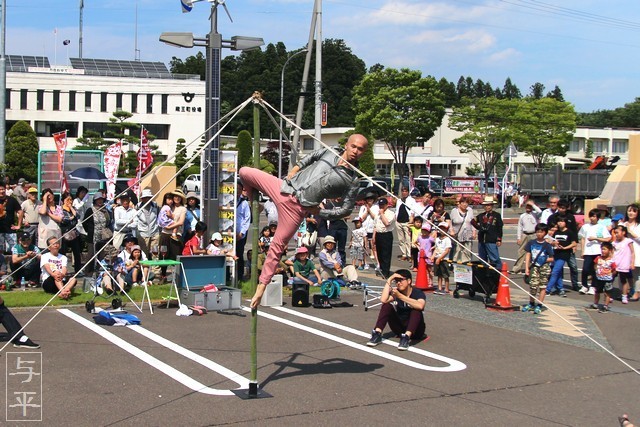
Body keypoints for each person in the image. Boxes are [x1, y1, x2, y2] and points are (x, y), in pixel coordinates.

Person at [239, 133, 368, 308]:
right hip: (284, 188)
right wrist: (295, 168)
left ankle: (261, 287)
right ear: (346, 145)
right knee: (245, 172)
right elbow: (312, 156)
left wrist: (320, 212)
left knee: (277, 247)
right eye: (353, 146)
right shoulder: (330, 152)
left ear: (363, 152)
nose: (356, 151)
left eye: (360, 149)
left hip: (297, 210)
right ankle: (250, 198)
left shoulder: (353, 180)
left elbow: (345, 209)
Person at [366, 269, 427, 351]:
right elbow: (383, 300)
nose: (398, 283)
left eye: (401, 280)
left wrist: (400, 296)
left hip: (416, 330)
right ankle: (377, 333)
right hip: (399, 328)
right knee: (387, 305)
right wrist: (389, 279)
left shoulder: (417, 292)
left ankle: (406, 337)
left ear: (409, 281)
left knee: (416, 309)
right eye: (396, 281)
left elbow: (420, 305)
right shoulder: (396, 292)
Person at [546, 199, 580, 291]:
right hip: (557, 247)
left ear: (566, 208)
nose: (561, 210)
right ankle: (557, 286)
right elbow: (548, 230)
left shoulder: (570, 217)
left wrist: (575, 245)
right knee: (557, 267)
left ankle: (575, 283)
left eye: (563, 208)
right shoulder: (553, 217)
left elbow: (574, 231)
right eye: (560, 207)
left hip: (568, 245)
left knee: (573, 266)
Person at [521, 224, 554, 315]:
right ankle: (531, 303)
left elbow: (552, 258)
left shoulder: (547, 245)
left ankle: (539, 304)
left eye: (541, 232)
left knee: (543, 286)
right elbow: (528, 255)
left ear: (545, 233)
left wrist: (544, 259)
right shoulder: (531, 243)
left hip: (544, 267)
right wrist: (527, 267)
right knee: (533, 286)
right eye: (538, 231)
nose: (539, 234)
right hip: (534, 266)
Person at [578, 208, 611, 295]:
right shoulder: (585, 227)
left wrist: (596, 238)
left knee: (595, 270)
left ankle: (593, 286)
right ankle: (584, 286)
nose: (592, 218)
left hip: (597, 251)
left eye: (594, 216)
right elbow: (582, 239)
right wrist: (582, 251)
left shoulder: (602, 227)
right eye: (591, 216)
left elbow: (607, 238)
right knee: (585, 269)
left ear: (598, 218)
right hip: (588, 251)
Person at [158, 189, 186, 281]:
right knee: (163, 255)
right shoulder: (168, 206)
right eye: (175, 196)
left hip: (176, 234)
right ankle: (163, 276)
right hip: (165, 233)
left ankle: (178, 278)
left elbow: (181, 222)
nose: (176, 198)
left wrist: (171, 227)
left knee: (176, 255)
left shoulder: (183, 209)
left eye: (179, 197)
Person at [545, 216, 576, 297]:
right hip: (555, 253)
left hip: (564, 254)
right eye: (558, 221)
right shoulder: (556, 232)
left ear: (565, 223)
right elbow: (554, 242)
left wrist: (565, 248)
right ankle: (560, 289)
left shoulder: (569, 232)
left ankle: (548, 290)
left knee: (555, 271)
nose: (560, 223)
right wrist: (553, 243)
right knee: (557, 272)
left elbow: (574, 243)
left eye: (562, 221)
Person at [470, 195, 503, 270]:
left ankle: (498, 273)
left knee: (494, 258)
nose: (487, 207)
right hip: (482, 240)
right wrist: (479, 227)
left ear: (492, 206)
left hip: (491, 240)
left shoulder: (496, 215)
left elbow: (499, 228)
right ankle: (485, 274)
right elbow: (472, 221)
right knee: (482, 259)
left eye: (489, 205)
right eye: (485, 205)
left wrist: (499, 239)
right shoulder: (481, 216)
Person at [83, 193, 112, 274]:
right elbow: (84, 223)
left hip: (104, 236)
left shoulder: (106, 210)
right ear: (95, 200)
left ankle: (100, 271)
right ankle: (89, 272)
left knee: (102, 254)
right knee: (91, 255)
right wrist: (89, 231)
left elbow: (109, 222)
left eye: (101, 199)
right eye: (98, 199)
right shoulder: (90, 210)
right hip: (93, 236)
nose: (100, 201)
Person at [512, 201, 541, 274]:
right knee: (521, 251)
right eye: (527, 206)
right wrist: (519, 237)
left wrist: (533, 204)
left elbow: (540, 211)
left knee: (533, 251)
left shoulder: (535, 214)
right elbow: (520, 227)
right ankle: (517, 268)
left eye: (529, 206)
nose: (528, 208)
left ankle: (532, 268)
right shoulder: (522, 216)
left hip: (533, 234)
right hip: (525, 234)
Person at [136, 188, 161, 276]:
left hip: (155, 232)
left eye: (149, 197)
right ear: (142, 198)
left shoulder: (155, 206)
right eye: (145, 197)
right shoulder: (137, 207)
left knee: (155, 253)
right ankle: (143, 273)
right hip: (143, 233)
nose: (147, 199)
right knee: (144, 254)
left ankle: (156, 273)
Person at [59, 191, 84, 276]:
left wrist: (72, 209)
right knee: (63, 252)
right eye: (67, 199)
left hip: (74, 233)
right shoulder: (60, 209)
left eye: (71, 199)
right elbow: (64, 219)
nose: (69, 201)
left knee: (77, 252)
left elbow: (78, 216)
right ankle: (63, 269)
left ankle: (77, 270)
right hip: (65, 232)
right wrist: (71, 218)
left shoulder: (73, 208)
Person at [373, 197, 395, 278]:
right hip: (378, 234)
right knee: (380, 254)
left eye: (383, 205)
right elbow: (375, 225)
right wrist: (374, 236)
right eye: (380, 205)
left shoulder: (390, 213)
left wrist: (382, 214)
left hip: (386, 234)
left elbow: (387, 223)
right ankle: (382, 269)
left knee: (386, 254)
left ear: (386, 205)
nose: (381, 206)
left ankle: (386, 271)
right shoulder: (377, 214)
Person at [591, 242, 616, 312]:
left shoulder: (611, 261)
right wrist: (596, 270)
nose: (603, 251)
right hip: (599, 278)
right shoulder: (598, 258)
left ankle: (605, 305)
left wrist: (610, 275)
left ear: (609, 250)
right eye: (602, 249)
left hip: (607, 279)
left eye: (604, 249)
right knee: (597, 291)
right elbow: (595, 265)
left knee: (607, 293)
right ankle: (595, 303)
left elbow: (614, 270)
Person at [622, 203, 640, 301]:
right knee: (623, 273)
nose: (631, 213)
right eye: (629, 210)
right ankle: (624, 292)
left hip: (636, 251)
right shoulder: (623, 224)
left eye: (634, 211)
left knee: (636, 274)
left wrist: (631, 232)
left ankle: (636, 293)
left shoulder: (638, 226)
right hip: (624, 252)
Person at [612, 225, 634, 304]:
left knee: (623, 281)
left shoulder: (628, 241)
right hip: (614, 265)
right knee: (610, 280)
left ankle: (624, 295)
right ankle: (609, 295)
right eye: (615, 233)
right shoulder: (614, 243)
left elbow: (632, 252)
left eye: (617, 232)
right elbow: (612, 253)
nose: (616, 234)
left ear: (624, 232)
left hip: (624, 265)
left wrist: (632, 263)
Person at [449, 196, 475, 263]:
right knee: (457, 252)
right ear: (460, 203)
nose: (465, 204)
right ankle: (455, 267)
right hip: (457, 235)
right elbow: (450, 222)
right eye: (463, 202)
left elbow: (472, 222)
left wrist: (474, 232)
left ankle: (466, 268)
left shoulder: (470, 210)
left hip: (468, 235)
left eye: (466, 203)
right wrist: (451, 230)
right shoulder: (454, 211)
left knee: (467, 252)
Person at [0, 181, 23, 254]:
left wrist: (19, 225)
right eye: (0, 189)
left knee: (13, 250)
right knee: (0, 251)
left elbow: (20, 212)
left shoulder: (12, 200)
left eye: (3, 189)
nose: (1, 191)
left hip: (10, 229)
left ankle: (12, 264)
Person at [358, 190, 379, 269]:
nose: (369, 200)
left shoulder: (376, 207)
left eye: (371, 199)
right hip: (364, 229)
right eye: (368, 199)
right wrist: (367, 211)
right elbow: (361, 218)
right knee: (364, 246)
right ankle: (365, 262)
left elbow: (376, 217)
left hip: (373, 229)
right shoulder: (363, 208)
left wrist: (370, 211)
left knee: (374, 246)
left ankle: (377, 263)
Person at [395, 186, 415, 262]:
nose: (404, 192)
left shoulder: (411, 200)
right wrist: (396, 218)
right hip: (399, 221)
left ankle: (409, 254)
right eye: (403, 191)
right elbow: (397, 210)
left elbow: (413, 211)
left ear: (408, 192)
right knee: (401, 239)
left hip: (407, 222)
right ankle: (404, 254)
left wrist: (411, 220)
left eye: (405, 191)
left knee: (408, 239)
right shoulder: (399, 200)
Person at [235, 181, 251, 280]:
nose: (237, 191)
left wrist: (242, 233)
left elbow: (247, 218)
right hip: (228, 234)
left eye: (239, 189)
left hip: (240, 234)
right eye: (235, 188)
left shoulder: (244, 203)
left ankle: (240, 276)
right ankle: (228, 276)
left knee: (239, 254)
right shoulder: (228, 201)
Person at [432, 222, 452, 295]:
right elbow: (436, 249)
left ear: (446, 230)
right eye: (440, 228)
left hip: (444, 259)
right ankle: (439, 287)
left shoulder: (447, 239)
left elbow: (447, 250)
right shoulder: (437, 239)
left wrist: (440, 258)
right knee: (439, 274)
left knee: (445, 274)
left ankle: (446, 288)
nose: (442, 230)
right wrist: (433, 256)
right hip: (437, 258)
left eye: (444, 229)